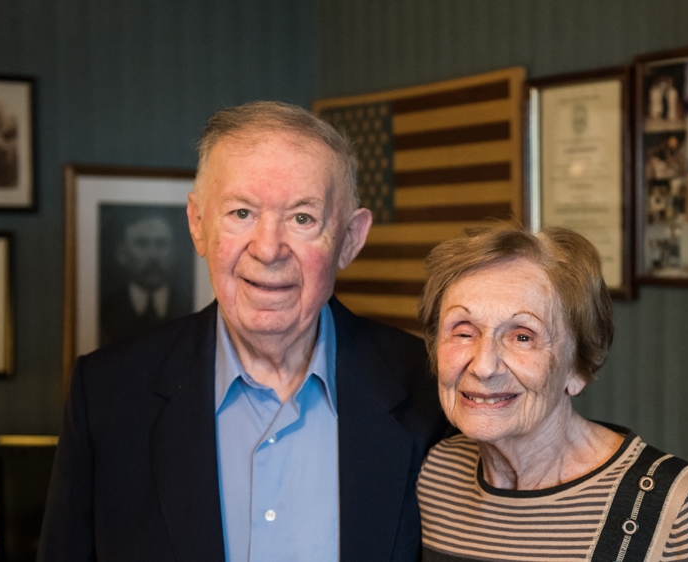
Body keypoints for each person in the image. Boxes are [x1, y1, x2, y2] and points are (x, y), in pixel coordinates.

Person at [38, 101, 449, 562]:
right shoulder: (107, 395)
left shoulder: (432, 392)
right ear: (198, 225)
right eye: (241, 213)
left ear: (350, 239)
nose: (268, 249)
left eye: (302, 218)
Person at [416, 225, 688, 562]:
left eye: (523, 337)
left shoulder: (669, 504)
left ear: (579, 368)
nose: (484, 366)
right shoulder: (436, 476)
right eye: (463, 333)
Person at [99, 213, 193, 346]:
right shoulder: (105, 310)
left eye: (161, 244)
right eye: (141, 244)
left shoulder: (190, 305)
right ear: (122, 254)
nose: (153, 255)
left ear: (174, 253)